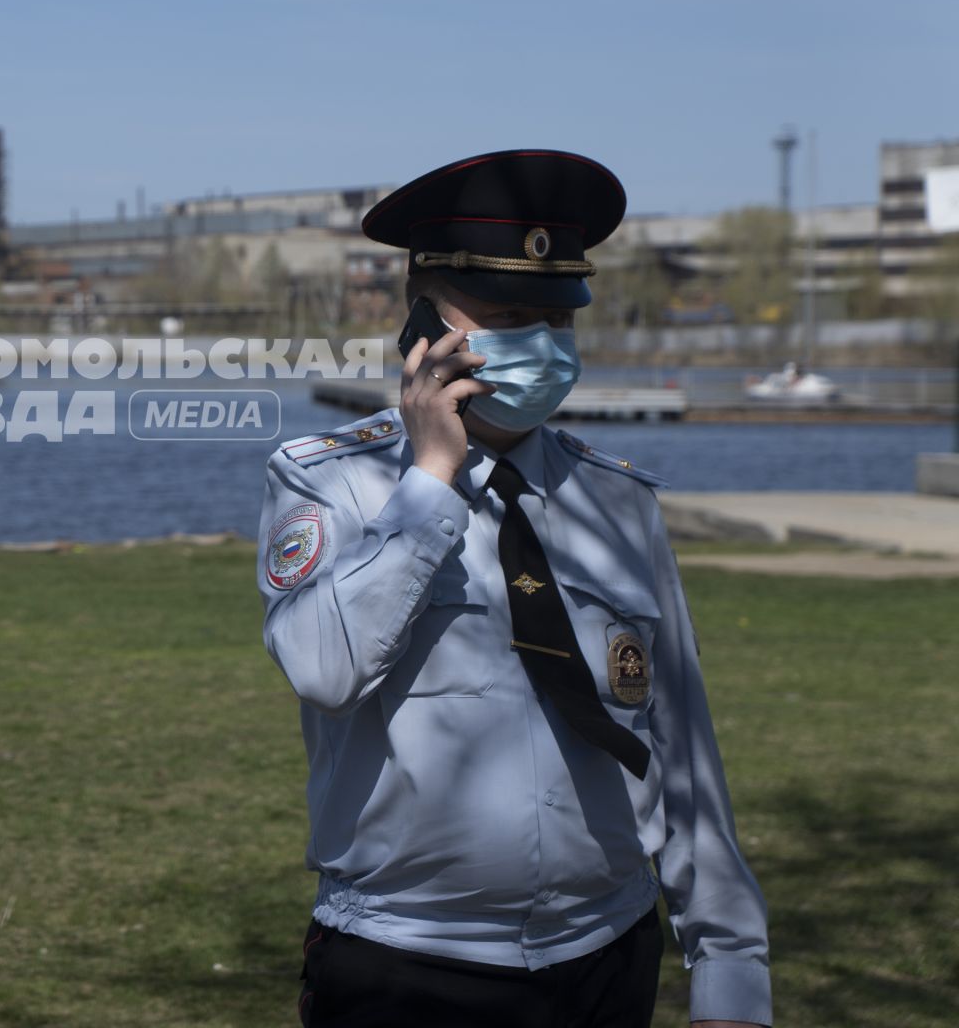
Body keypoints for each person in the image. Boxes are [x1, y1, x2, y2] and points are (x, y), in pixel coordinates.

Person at [256, 150, 771, 1027]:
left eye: (554, 319)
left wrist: (730, 968)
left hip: (606, 956)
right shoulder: (330, 484)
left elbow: (681, 748)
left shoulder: (615, 501)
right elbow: (322, 671)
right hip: (407, 964)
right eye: (504, 315)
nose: (538, 343)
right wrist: (428, 483)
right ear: (421, 318)